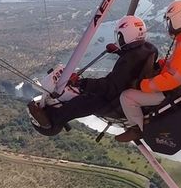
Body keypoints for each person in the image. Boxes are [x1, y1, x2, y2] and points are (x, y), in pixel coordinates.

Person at [28, 15, 157, 130]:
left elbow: (110, 87)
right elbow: (133, 58)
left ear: (126, 35)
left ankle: (52, 120)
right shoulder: (149, 48)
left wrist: (82, 83)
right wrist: (119, 51)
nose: (120, 39)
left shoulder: (129, 60)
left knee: (79, 102)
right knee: (85, 93)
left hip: (114, 100)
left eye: (120, 36)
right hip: (126, 88)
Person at [115, 0, 181, 142]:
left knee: (126, 97)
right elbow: (179, 66)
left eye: (169, 21)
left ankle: (137, 130)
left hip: (173, 95)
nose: (168, 25)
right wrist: (160, 65)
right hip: (180, 89)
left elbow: (171, 80)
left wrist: (142, 84)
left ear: (176, 20)